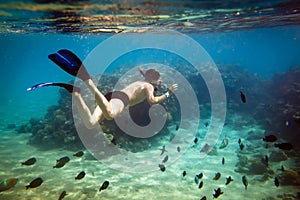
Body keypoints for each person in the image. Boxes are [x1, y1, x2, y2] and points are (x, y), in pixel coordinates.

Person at [28, 49, 178, 129]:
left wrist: (141, 71)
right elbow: (152, 101)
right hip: (121, 99)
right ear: (152, 80)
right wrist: (168, 93)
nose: (159, 83)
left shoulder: (143, 80)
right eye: (158, 81)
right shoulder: (148, 86)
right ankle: (88, 81)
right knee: (110, 115)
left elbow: (147, 76)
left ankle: (76, 93)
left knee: (91, 123)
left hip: (110, 96)